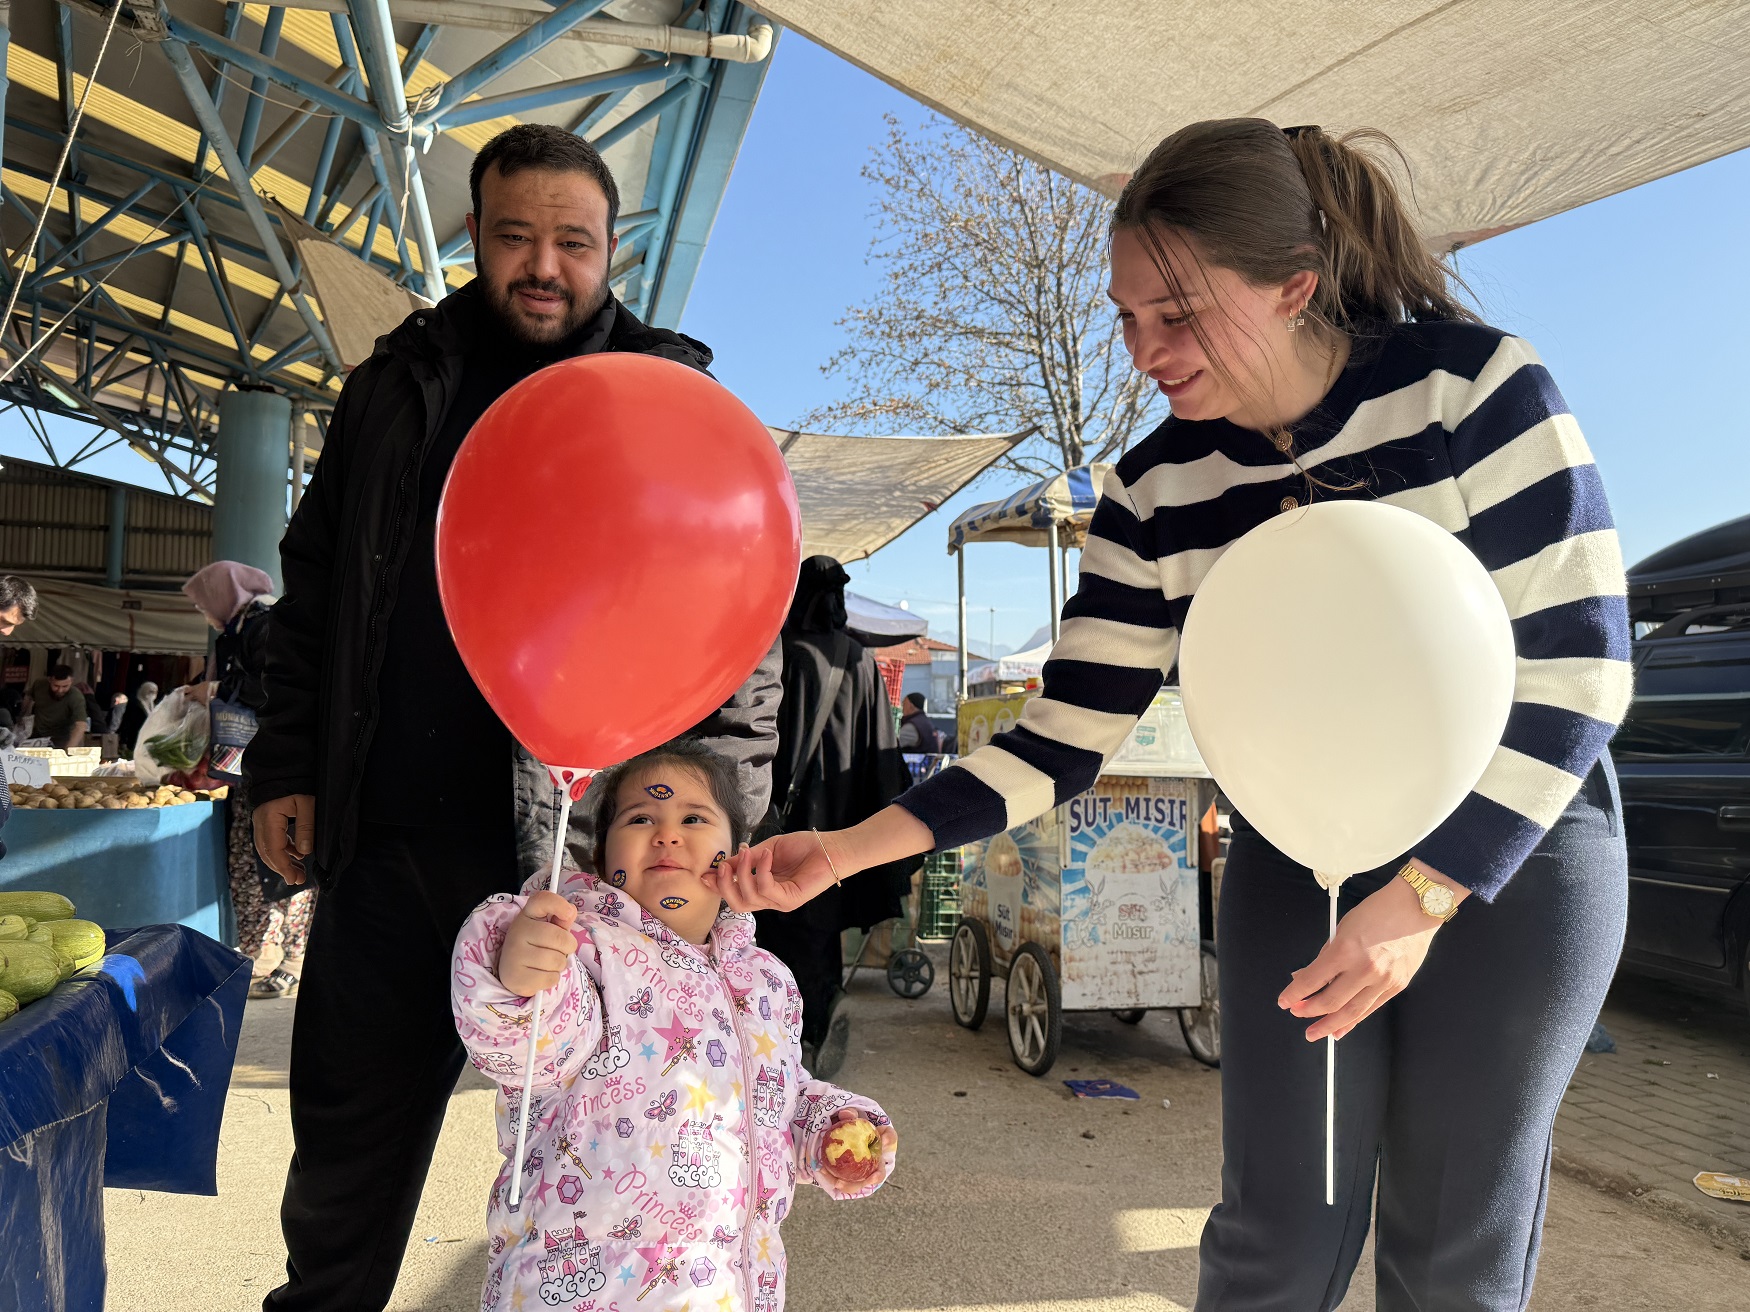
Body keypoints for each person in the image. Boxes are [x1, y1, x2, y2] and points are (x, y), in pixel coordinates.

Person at [712, 119, 1632, 1311]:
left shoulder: (1471, 385)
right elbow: (1060, 737)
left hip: (1516, 852)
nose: (1145, 349)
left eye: (1179, 315)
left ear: (1293, 285)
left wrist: (1423, 898)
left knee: (1454, 1252)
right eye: (1127, 316)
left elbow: (1581, 664)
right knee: (1276, 1238)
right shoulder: (1151, 491)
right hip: (1301, 847)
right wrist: (841, 852)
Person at [245, 123, 782, 1312]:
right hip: (390, 843)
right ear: (477, 238)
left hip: (582, 875)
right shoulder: (395, 385)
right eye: (515, 236)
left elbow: (736, 633)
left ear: (612, 252)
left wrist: (713, 831)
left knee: (615, 1175)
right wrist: (284, 761)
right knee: (343, 1152)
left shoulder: (668, 400)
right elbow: (316, 579)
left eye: (573, 242)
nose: (544, 264)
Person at [452, 739, 894, 1312]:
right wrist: (519, 976)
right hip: (576, 1287)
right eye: (640, 818)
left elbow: (775, 1093)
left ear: (738, 853)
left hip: (728, 1290)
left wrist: (825, 1126)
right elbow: (530, 1050)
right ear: (597, 853)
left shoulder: (767, 982)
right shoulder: (580, 950)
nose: (666, 834)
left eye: (693, 818)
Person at [754, 556, 918, 1077]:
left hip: (779, 819)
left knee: (770, 927)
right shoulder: (859, 659)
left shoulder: (777, 653)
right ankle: (819, 1018)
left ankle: (774, 1035)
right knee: (821, 931)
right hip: (840, 823)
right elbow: (881, 752)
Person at [185, 561, 315, 1000]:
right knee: (253, 861)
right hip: (249, 769)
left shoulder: (264, 628)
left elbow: (273, 691)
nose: (203, 611)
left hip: (281, 768)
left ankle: (294, 958)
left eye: (204, 601)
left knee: (290, 863)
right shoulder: (235, 633)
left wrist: (218, 690)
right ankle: (264, 952)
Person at [24, 664, 89, 750]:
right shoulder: (39, 685)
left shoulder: (76, 697)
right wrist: (23, 716)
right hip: (37, 736)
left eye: (65, 686)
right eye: (56, 686)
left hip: (61, 738)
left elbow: (80, 726)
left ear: (71, 681)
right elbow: (28, 698)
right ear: (50, 680)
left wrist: (68, 750)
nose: (60, 690)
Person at [117, 680, 158, 754]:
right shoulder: (134, 705)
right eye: (150, 691)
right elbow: (127, 722)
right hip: (133, 739)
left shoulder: (152, 706)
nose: (152, 695)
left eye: (154, 692)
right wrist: (123, 741)